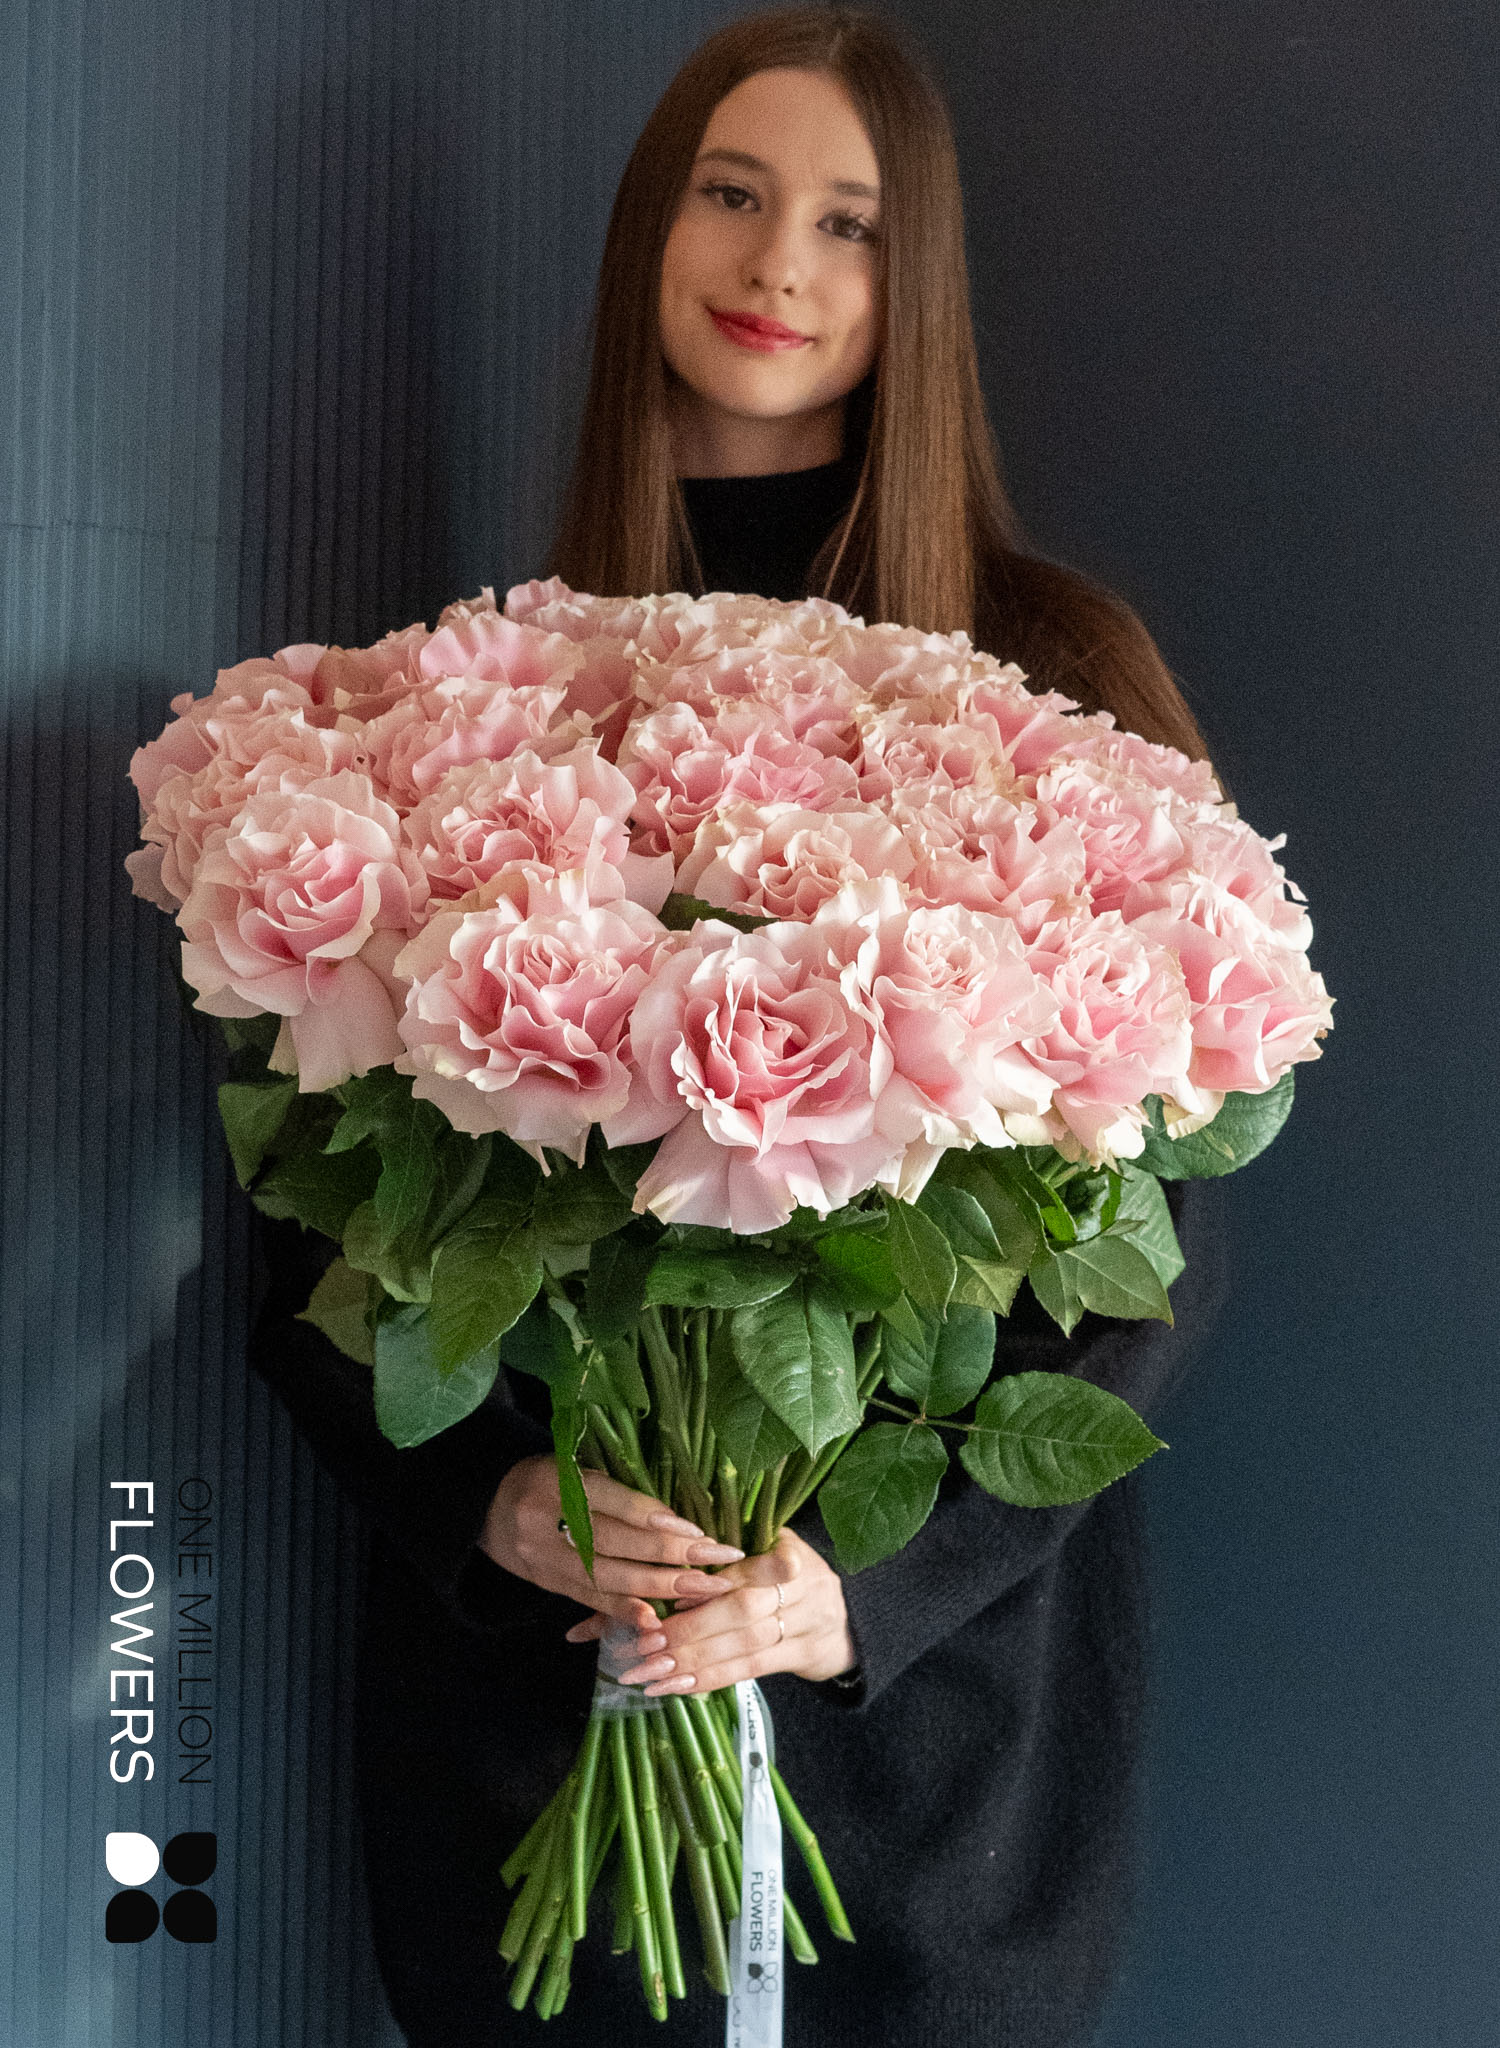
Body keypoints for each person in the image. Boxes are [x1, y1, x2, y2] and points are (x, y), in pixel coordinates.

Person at [247, 8, 1231, 2045]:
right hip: (544, 1748)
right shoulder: (486, 706)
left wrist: (864, 1590)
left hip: (925, 1773)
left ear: (912, 282)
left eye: (850, 224)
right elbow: (312, 1229)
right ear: (652, 232)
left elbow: (1162, 1251)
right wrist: (485, 1509)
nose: (782, 262)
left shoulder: (1051, 673)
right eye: (733, 192)